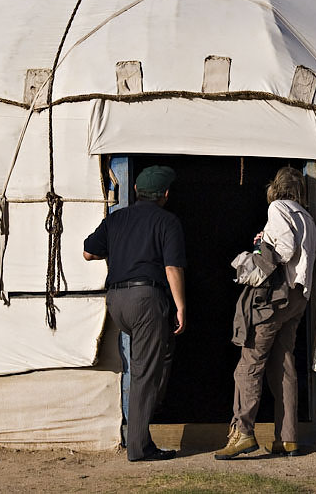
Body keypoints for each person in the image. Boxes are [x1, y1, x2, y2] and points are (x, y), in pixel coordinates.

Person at [82, 165, 186, 462]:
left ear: (137, 191)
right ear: (165, 195)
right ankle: (140, 447)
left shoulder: (116, 219)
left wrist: (120, 251)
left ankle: (146, 421)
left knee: (157, 359)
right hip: (145, 299)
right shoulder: (167, 222)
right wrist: (181, 305)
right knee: (144, 374)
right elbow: (172, 267)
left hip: (116, 301)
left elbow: (89, 252)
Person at [215, 166, 316, 460]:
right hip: (298, 299)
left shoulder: (278, 207)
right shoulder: (307, 217)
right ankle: (287, 439)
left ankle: (243, 433)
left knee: (248, 364)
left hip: (275, 299)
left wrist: (260, 252)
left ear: (276, 188)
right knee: (283, 366)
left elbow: (284, 249)